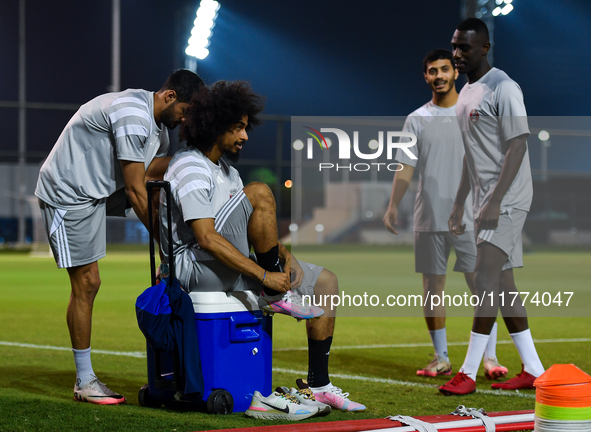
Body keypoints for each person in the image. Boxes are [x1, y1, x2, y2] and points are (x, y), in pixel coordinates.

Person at [159, 80, 366, 413]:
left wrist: (288, 257)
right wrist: (267, 277)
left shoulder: (226, 172)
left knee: (325, 282)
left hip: (226, 265)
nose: (245, 136)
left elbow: (253, 230)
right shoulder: (190, 166)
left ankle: (319, 384)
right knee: (259, 192)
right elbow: (207, 237)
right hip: (194, 268)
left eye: (245, 127)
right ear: (215, 126)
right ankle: (277, 296)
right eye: (238, 128)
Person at [35, 69, 204, 405]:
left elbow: (155, 179)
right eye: (184, 111)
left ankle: (186, 251)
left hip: (98, 191)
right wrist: (166, 251)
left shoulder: (159, 132)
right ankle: (85, 382)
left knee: (166, 177)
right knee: (87, 282)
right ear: (169, 96)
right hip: (69, 193)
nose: (184, 119)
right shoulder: (132, 113)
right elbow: (134, 189)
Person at [383, 49, 507, 380]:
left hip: (473, 217)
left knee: (482, 286)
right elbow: (406, 167)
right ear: (425, 77)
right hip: (429, 216)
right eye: (431, 71)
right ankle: (441, 358)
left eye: (444, 69)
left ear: (455, 72)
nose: (438, 75)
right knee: (432, 288)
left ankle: (490, 358)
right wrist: (394, 204)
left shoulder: (474, 112)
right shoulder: (416, 119)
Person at [439, 18, 545, 395]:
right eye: (454, 46)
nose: (457, 54)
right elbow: (472, 158)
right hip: (486, 201)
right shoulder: (464, 96)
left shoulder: (504, 87)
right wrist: (458, 204)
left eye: (465, 47)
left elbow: (517, 145)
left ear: (484, 48)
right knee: (503, 284)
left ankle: (467, 371)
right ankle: (534, 368)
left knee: (484, 277)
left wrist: (496, 200)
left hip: (509, 198)